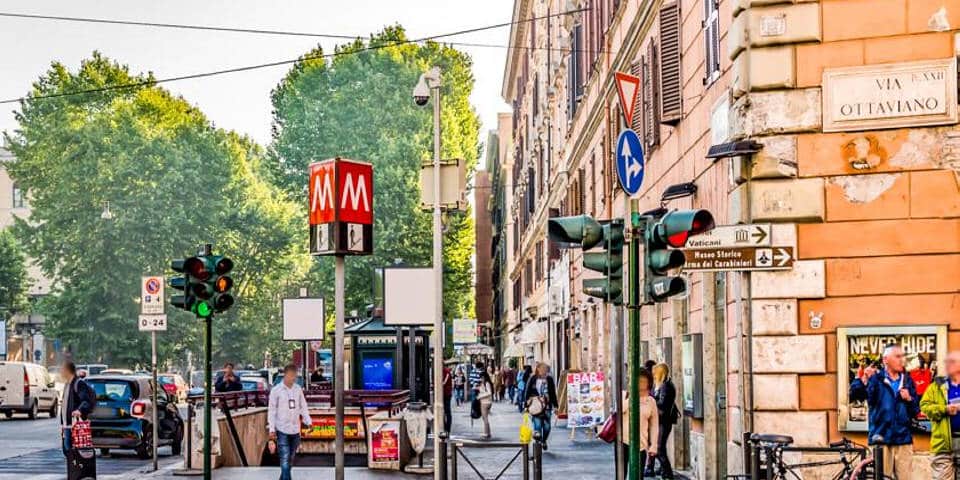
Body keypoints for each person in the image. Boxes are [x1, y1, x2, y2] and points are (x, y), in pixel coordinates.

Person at [849, 344, 918, 479]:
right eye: (897, 356)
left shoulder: (908, 381)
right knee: (881, 478)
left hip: (903, 440)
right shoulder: (876, 379)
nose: (901, 360)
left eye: (902, 357)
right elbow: (855, 395)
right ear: (885, 359)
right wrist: (862, 379)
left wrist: (909, 399)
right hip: (881, 440)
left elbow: (916, 410)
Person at [268, 364, 313, 480]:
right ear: (286, 375)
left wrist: (308, 422)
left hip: (295, 429)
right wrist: (272, 429)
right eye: (292, 375)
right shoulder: (276, 390)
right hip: (282, 429)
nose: (294, 378)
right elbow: (272, 411)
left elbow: (303, 407)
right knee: (284, 458)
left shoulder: (298, 389)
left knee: (290, 460)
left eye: (295, 376)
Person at [921, 351, 960, 479]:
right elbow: (924, 407)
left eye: (952, 362)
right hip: (943, 444)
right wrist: (944, 409)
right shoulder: (936, 387)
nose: (948, 365)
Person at [621, 368, 659, 478]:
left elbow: (654, 425)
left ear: (649, 383)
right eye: (637, 380)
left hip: (641, 445)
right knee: (621, 475)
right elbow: (619, 412)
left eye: (643, 380)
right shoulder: (624, 396)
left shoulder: (651, 401)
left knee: (638, 476)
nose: (640, 383)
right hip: (623, 442)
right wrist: (631, 398)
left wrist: (654, 445)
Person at [648, 363, 677, 479]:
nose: (654, 376)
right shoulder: (663, 385)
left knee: (659, 448)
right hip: (662, 421)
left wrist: (651, 399)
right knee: (660, 447)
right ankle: (665, 471)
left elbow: (663, 405)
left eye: (655, 374)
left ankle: (668, 473)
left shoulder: (665, 386)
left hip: (663, 422)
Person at [59, 361, 95, 455]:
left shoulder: (78, 384)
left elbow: (86, 401)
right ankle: (72, 469)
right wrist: (62, 424)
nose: (61, 373)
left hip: (74, 426)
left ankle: (76, 469)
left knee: (72, 453)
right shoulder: (67, 384)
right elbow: (65, 405)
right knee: (67, 452)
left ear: (68, 371)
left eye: (62, 370)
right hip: (67, 425)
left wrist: (79, 410)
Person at [524, 362, 558, 450]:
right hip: (536, 405)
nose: (545, 370)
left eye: (546, 369)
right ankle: (538, 443)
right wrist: (526, 405)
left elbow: (553, 393)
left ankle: (544, 440)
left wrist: (555, 406)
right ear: (538, 369)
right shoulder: (532, 378)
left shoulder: (549, 379)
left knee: (547, 427)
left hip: (547, 406)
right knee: (537, 425)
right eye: (543, 368)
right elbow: (527, 391)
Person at [477, 370, 494, 439]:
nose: (480, 379)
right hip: (486, 402)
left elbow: (489, 392)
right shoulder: (485, 383)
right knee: (485, 418)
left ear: (484, 377)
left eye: (481, 377)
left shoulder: (487, 383)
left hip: (485, 402)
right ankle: (488, 432)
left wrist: (480, 396)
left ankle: (486, 433)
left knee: (485, 418)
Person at [442, 365, 453, 433]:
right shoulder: (446, 371)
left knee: (447, 411)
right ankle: (447, 428)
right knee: (447, 411)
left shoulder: (446, 371)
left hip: (446, 393)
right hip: (446, 393)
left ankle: (447, 428)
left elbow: (443, 383)